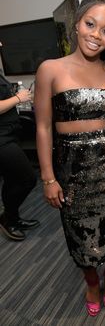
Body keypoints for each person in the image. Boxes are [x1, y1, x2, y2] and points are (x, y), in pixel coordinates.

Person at [34, 0, 105, 317]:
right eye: (91, 24)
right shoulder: (50, 69)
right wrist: (47, 178)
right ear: (76, 23)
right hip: (71, 174)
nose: (96, 35)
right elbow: (43, 127)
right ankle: (91, 281)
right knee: (79, 236)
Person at [0, 73, 39, 241]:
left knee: (11, 179)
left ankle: (12, 218)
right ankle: (6, 218)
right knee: (27, 179)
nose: (1, 44)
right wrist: (18, 98)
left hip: (9, 133)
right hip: (1, 138)